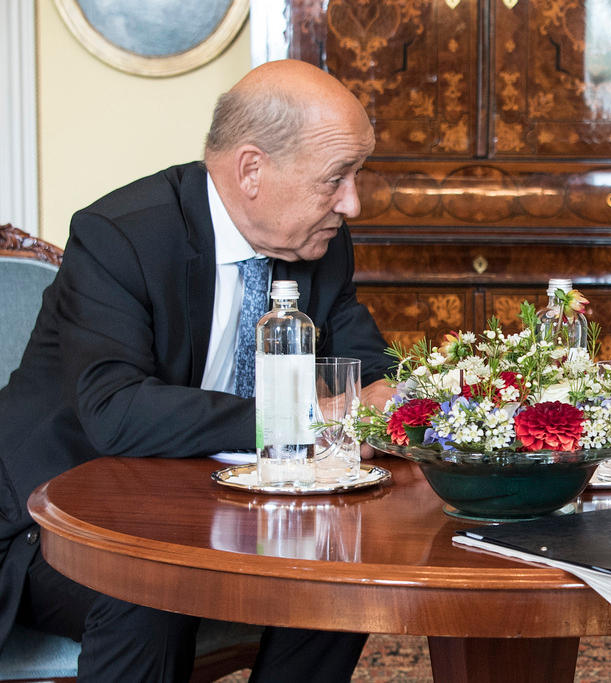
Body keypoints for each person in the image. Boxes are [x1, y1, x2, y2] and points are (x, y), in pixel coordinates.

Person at [0, 60, 393, 682]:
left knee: (340, 575)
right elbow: (115, 411)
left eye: (357, 175)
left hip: (213, 505)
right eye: (336, 178)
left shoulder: (318, 242)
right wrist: (308, 416)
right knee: (148, 593)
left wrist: (389, 394)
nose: (353, 202)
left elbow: (367, 363)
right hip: (60, 519)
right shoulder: (120, 237)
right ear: (252, 170)